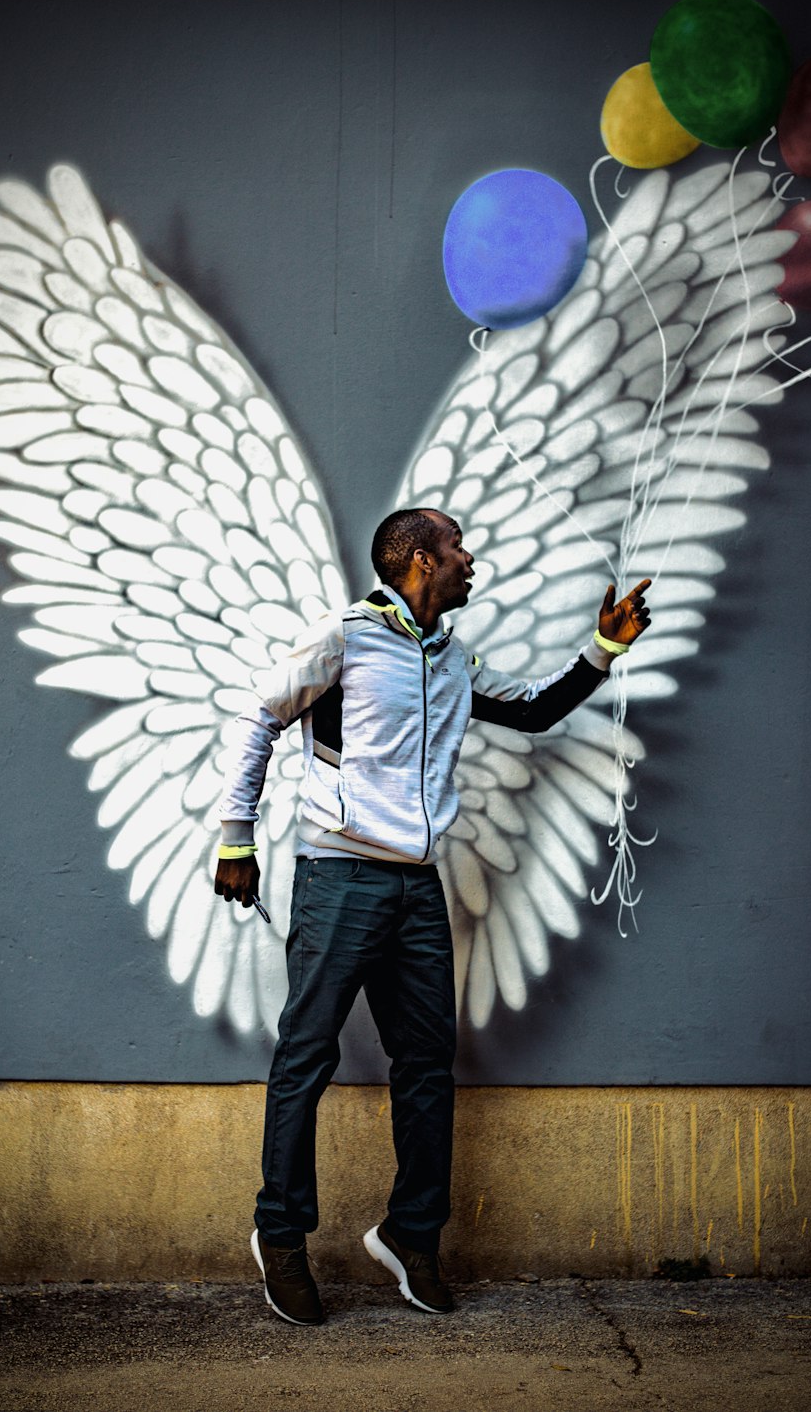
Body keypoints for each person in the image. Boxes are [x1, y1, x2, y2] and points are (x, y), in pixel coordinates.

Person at [214, 508, 651, 1325]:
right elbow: (257, 717)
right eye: (455, 548)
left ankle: (411, 1237)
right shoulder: (345, 637)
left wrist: (605, 650)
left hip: (418, 886)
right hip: (339, 875)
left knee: (424, 1066)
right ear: (419, 561)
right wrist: (236, 837)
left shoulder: (452, 657)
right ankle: (280, 1235)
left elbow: (529, 711)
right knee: (304, 1057)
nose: (468, 557)